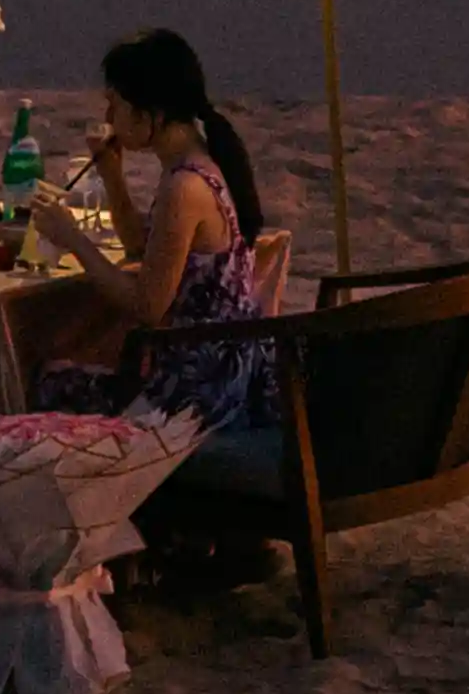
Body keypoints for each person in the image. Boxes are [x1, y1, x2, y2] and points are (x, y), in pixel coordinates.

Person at [27, 29, 282, 436]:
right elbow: (140, 248)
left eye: (116, 106)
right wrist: (113, 176)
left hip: (199, 392)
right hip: (223, 372)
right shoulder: (198, 163)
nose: (109, 120)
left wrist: (73, 239)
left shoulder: (185, 186)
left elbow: (147, 306)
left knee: (44, 380)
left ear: (150, 115)